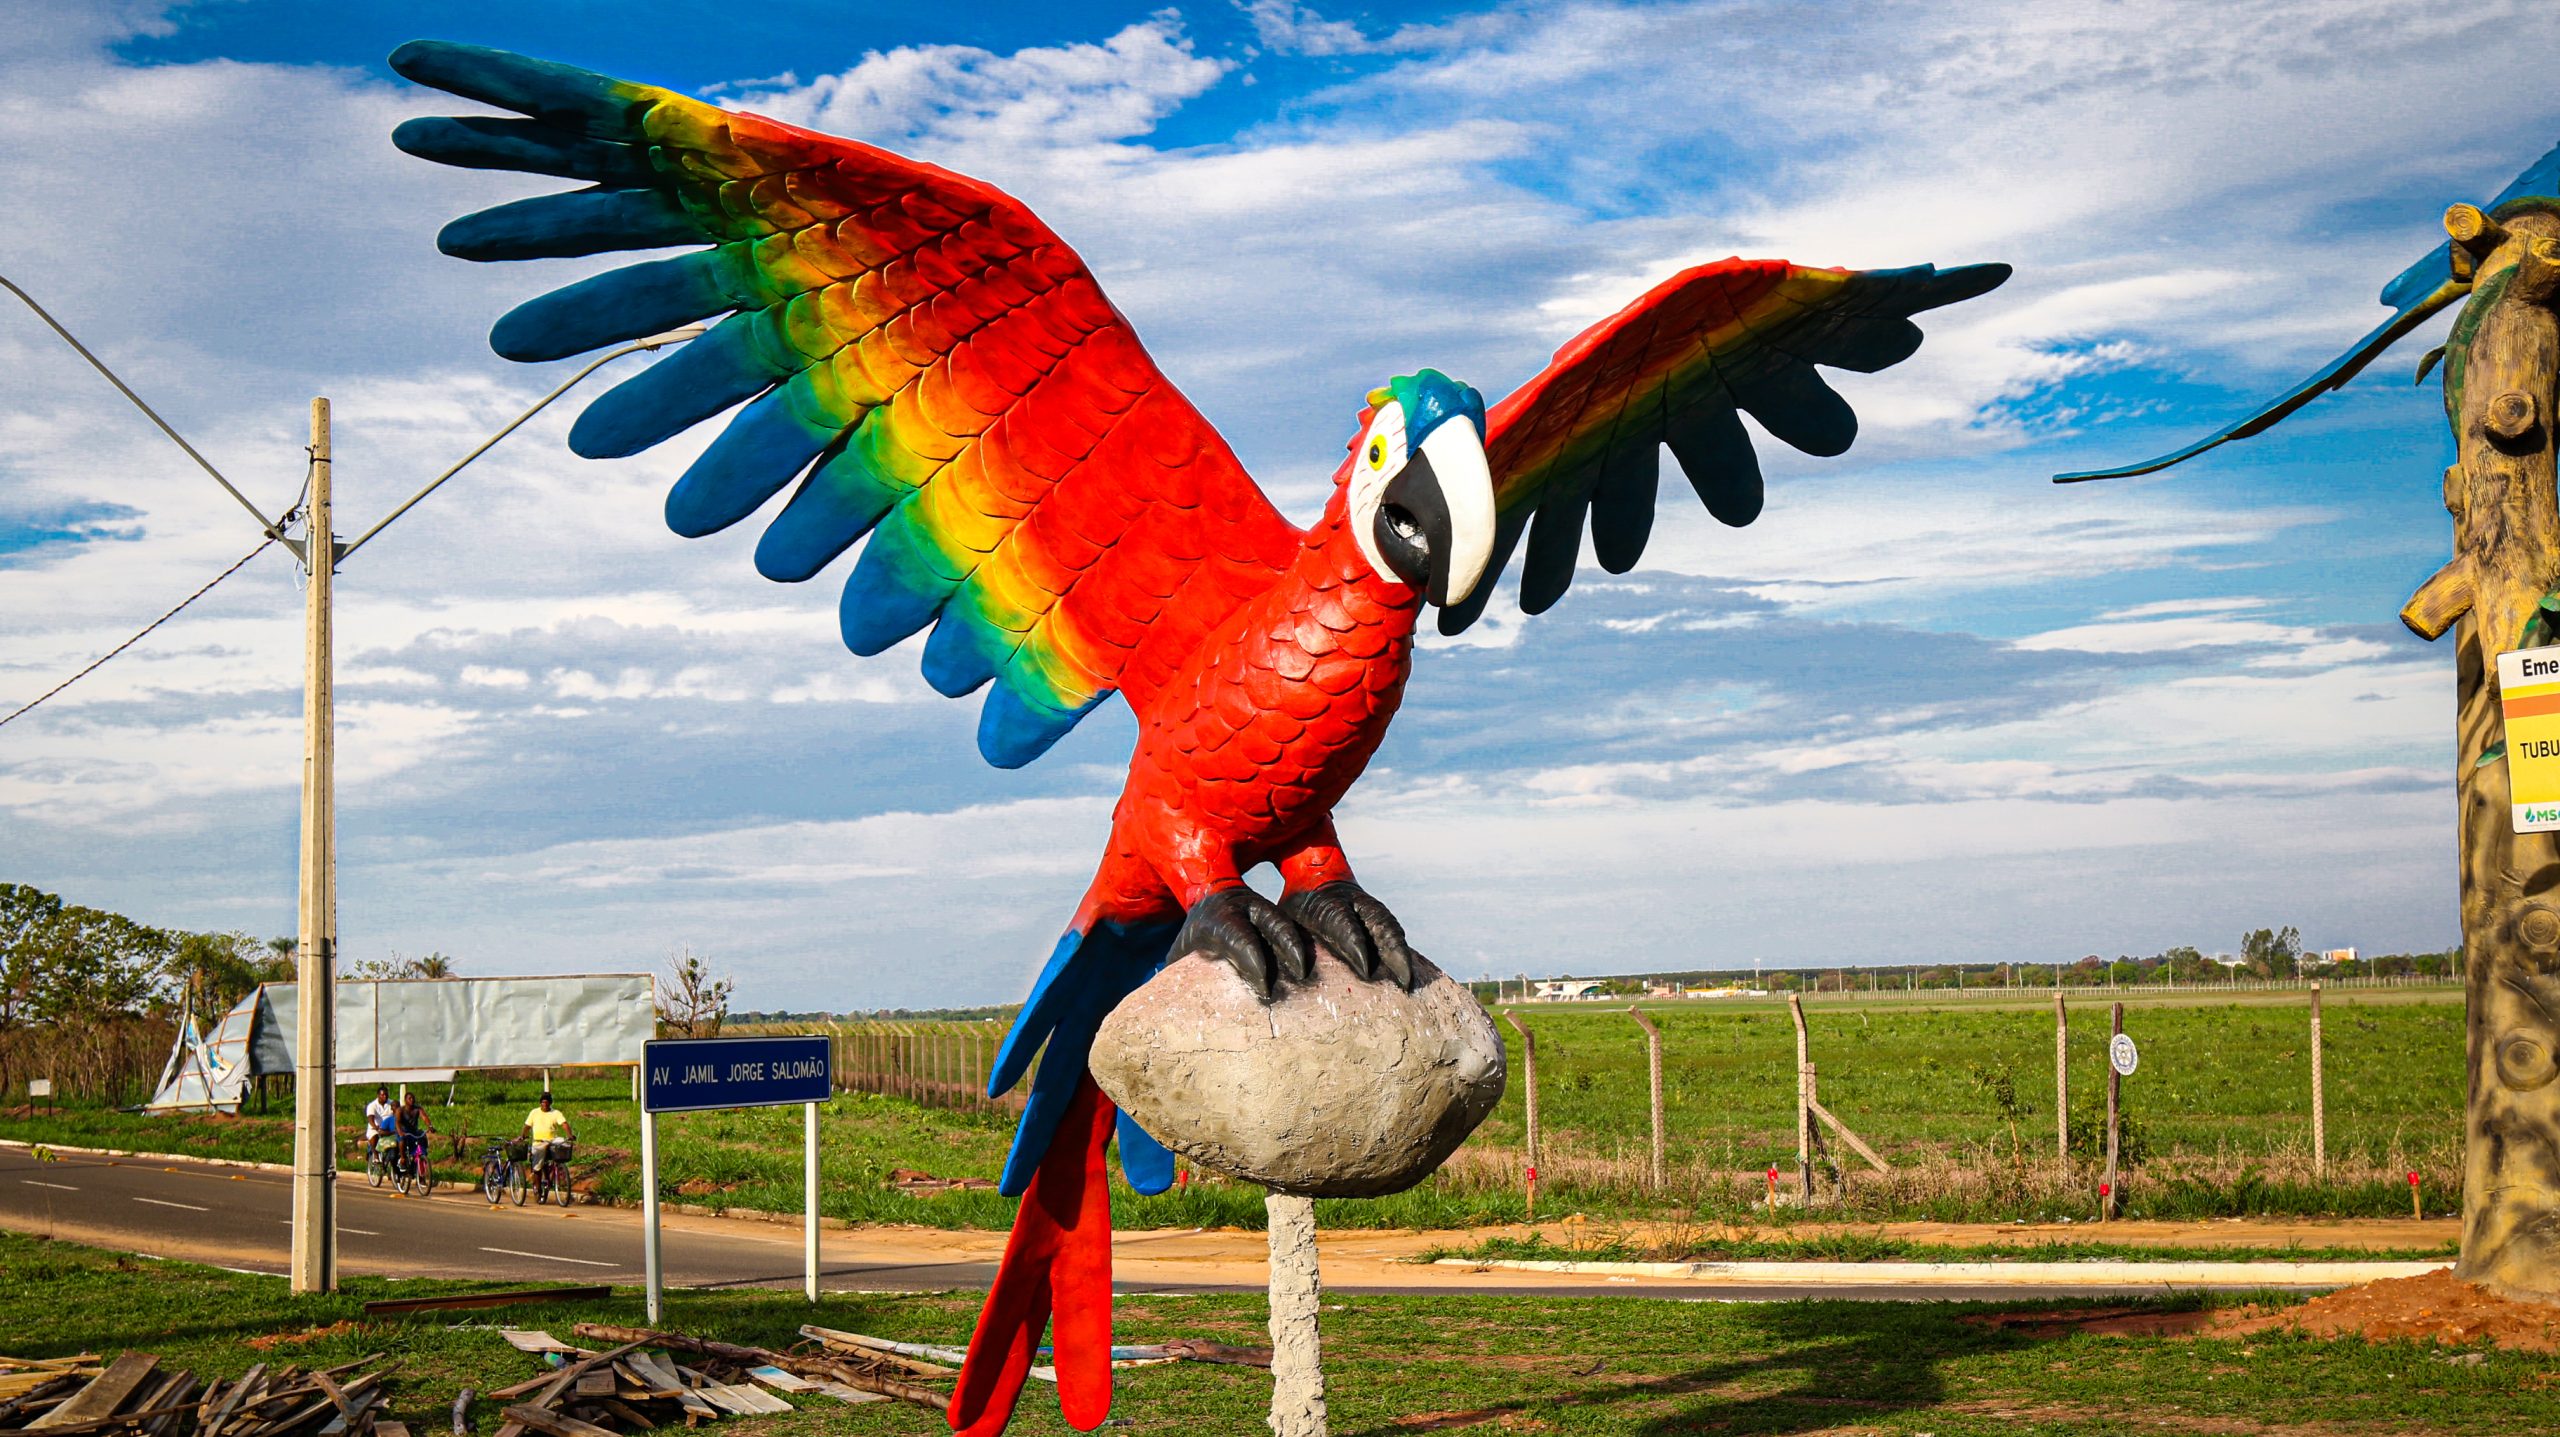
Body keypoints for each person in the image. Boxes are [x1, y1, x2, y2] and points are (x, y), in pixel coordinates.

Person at [521, 1091, 574, 1191]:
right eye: (543, 1102)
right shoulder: (534, 1113)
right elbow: (527, 1126)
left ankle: (558, 1168)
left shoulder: (556, 1113)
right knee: (537, 1166)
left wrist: (569, 1135)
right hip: (539, 1142)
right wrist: (522, 1135)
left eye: (547, 1102)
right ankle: (537, 1187)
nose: (544, 1104)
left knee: (563, 1143)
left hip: (552, 1140)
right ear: (540, 1103)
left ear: (550, 1103)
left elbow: (564, 1124)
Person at [395, 1091, 431, 1185]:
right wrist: (400, 1132)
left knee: (421, 1148)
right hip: (403, 1132)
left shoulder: (417, 1109)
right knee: (402, 1140)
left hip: (414, 1132)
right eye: (409, 1098)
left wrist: (430, 1126)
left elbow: (424, 1117)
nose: (412, 1100)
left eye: (413, 1098)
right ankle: (403, 1158)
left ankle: (421, 1175)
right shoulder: (400, 1110)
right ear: (405, 1100)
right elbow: (397, 1123)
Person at [362, 1085, 396, 1170]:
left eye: (386, 1094)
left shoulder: (391, 1103)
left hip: (388, 1128)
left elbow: (397, 1113)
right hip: (376, 1128)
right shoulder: (372, 1105)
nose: (385, 1096)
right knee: (374, 1137)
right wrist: (376, 1127)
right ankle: (376, 1156)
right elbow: (370, 1119)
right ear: (378, 1095)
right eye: (382, 1095)